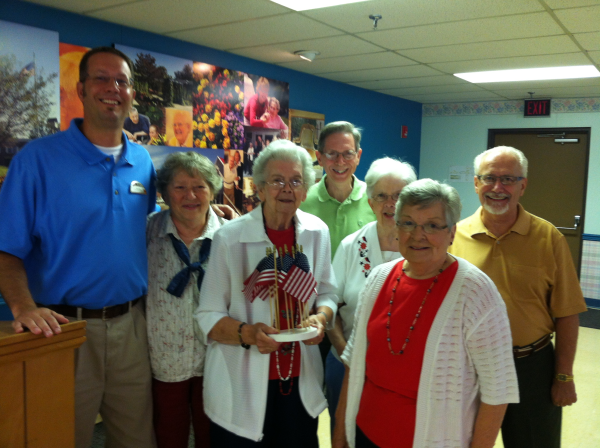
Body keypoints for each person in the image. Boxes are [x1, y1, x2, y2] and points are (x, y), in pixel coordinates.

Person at [0, 47, 156, 448]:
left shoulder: (142, 161)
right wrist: (23, 308)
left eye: (121, 81)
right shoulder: (37, 160)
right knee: (59, 438)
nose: (112, 88)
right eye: (101, 79)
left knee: (136, 439)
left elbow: (151, 228)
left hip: (132, 328)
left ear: (131, 93)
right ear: (81, 88)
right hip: (63, 333)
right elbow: (6, 249)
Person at [333, 179, 518, 448]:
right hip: (366, 433)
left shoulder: (476, 293)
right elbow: (354, 362)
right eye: (407, 223)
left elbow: (497, 390)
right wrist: (340, 434)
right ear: (397, 227)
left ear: (452, 233)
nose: (417, 235)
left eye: (432, 225)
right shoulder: (378, 279)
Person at [196, 139, 338, 447]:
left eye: (296, 180)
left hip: (300, 380)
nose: (287, 188)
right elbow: (207, 314)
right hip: (241, 383)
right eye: (277, 180)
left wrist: (321, 318)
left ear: (306, 189)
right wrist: (248, 333)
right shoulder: (229, 238)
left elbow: (327, 292)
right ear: (259, 187)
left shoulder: (317, 232)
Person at [449, 146, 587, 448]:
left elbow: (567, 312)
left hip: (531, 365)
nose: (498, 188)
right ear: (475, 183)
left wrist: (563, 375)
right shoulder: (452, 237)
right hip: (468, 367)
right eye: (489, 178)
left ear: (523, 185)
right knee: (460, 441)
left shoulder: (549, 237)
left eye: (508, 179)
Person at [325, 157, 417, 433]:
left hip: (405, 372)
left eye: (399, 196)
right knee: (345, 434)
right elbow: (330, 304)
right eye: (382, 196)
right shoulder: (351, 246)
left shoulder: (425, 248)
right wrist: (348, 356)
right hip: (346, 365)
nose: (391, 204)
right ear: (370, 202)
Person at [147, 151, 225, 448]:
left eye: (200, 186)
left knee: (214, 437)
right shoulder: (147, 231)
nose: (190, 195)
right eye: (180, 187)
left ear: (212, 190)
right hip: (165, 360)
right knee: (168, 436)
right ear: (165, 192)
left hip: (217, 359)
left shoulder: (230, 236)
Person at [300, 121, 375, 258]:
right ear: (319, 158)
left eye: (348, 153)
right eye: (332, 153)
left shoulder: (376, 200)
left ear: (358, 156)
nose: (340, 161)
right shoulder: (301, 202)